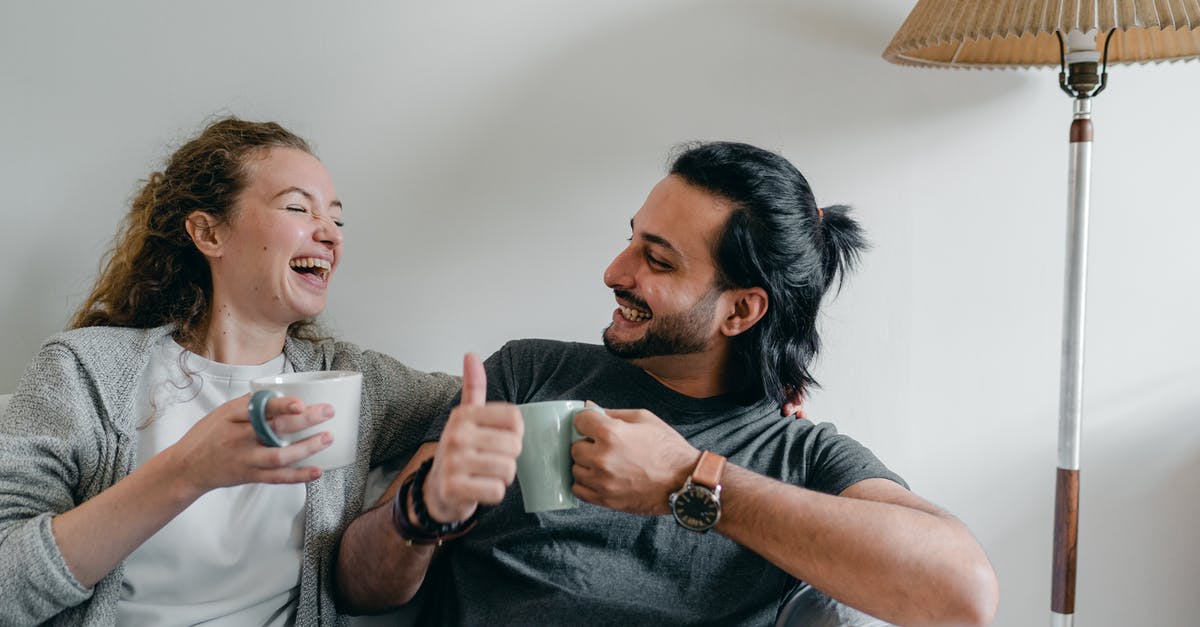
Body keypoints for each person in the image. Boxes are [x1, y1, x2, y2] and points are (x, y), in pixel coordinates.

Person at [335, 142, 1000, 626]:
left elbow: (963, 593)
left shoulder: (801, 458)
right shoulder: (528, 375)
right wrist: (422, 510)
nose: (613, 271)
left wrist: (690, 481)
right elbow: (358, 585)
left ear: (741, 310)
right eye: (632, 240)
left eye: (656, 260)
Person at [0, 117, 460, 625]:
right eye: (297, 208)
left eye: (336, 220)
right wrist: (187, 472)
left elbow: (498, 395)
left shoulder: (354, 381)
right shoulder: (83, 371)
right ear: (209, 232)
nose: (329, 235)